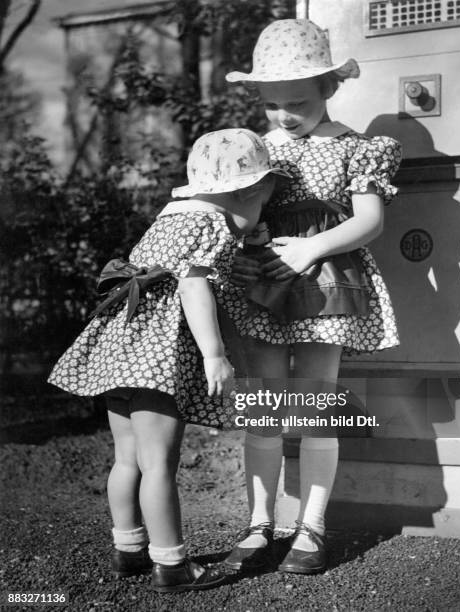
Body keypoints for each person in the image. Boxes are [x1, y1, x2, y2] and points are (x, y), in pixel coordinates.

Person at [48, 128, 288, 592]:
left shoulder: (172, 215)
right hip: (156, 357)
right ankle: (172, 564)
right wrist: (214, 355)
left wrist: (248, 232)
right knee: (160, 463)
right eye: (261, 204)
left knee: (127, 459)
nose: (260, 216)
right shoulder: (212, 225)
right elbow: (193, 286)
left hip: (119, 347)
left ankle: (128, 549)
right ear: (243, 192)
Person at [222, 19, 402, 575]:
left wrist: (312, 248)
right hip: (265, 279)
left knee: (318, 401)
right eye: (272, 104)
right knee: (266, 404)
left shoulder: (355, 146)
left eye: (297, 101)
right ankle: (259, 526)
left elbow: (369, 220)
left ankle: (312, 527)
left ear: (329, 87)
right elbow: (235, 213)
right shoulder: (256, 149)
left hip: (328, 283)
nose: (284, 115)